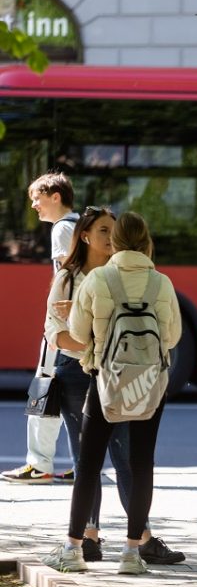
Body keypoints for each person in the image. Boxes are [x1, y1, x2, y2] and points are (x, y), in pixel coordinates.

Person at [41, 212, 182, 575]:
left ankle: (73, 549)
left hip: (105, 382)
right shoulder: (161, 283)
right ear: (146, 240)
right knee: (141, 464)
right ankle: (132, 554)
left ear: (116, 242)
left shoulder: (98, 279)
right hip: (150, 385)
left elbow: (80, 334)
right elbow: (172, 336)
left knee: (88, 465)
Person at [3, 172, 79, 484]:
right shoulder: (81, 225)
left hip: (63, 325)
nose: (34, 204)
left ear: (56, 196)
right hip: (84, 323)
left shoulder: (62, 229)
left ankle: (39, 464)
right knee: (80, 394)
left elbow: (66, 277)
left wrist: (56, 319)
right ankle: (84, 462)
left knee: (44, 388)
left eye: (38, 197)